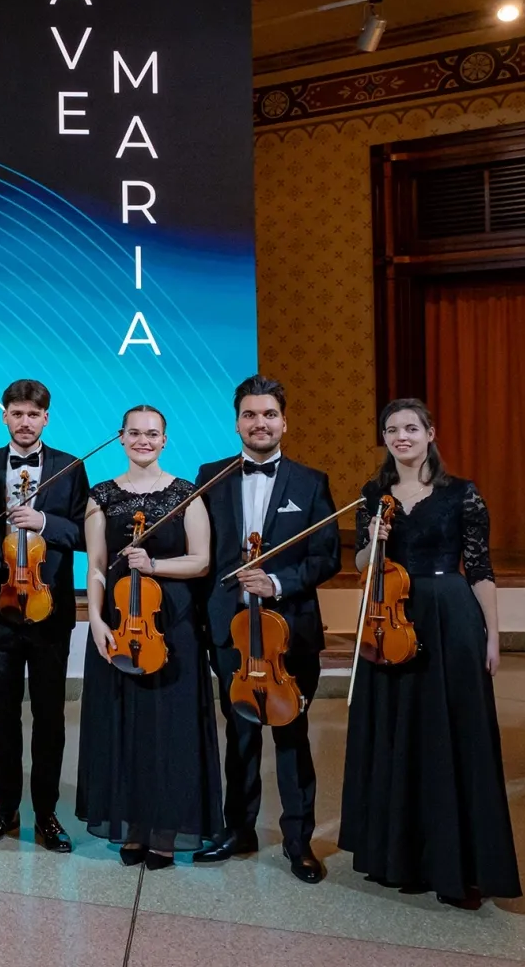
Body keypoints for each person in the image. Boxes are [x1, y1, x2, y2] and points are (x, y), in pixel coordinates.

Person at [339, 398, 520, 909]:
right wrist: (373, 541)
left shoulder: (462, 494)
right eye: (392, 429)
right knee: (397, 732)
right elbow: (361, 564)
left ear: (430, 433)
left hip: (450, 617)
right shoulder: (372, 496)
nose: (402, 437)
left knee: (451, 737)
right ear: (384, 438)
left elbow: (480, 568)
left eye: (411, 428)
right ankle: (397, 857)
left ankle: (458, 868)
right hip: (388, 619)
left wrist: (492, 633)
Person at [191, 376, 339, 882]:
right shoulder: (209, 477)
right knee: (241, 734)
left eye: (269, 414)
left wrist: (277, 581)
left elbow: (327, 556)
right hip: (230, 631)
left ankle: (299, 842)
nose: (260, 423)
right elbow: (202, 557)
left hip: (290, 631)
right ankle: (240, 830)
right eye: (250, 415)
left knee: (293, 734)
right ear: (237, 422)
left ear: (284, 421)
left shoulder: (311, 482)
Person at [76, 405, 221, 868]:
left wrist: (154, 566)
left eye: (152, 433)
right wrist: (96, 621)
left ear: (164, 439)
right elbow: (97, 566)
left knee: (168, 728)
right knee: (125, 727)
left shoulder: (185, 494)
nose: (143, 440)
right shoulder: (101, 496)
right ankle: (133, 826)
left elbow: (201, 561)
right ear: (121, 438)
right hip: (119, 621)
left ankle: (165, 829)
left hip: (169, 623)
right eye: (134, 433)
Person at [0, 379, 88, 852]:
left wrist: (45, 523)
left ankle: (48, 813)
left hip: (51, 611)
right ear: (5, 416)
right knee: (3, 716)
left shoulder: (70, 467)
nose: (25, 422)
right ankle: (6, 806)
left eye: (33, 414)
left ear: (46, 418)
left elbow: (80, 532)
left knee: (51, 717)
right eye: (16, 413)